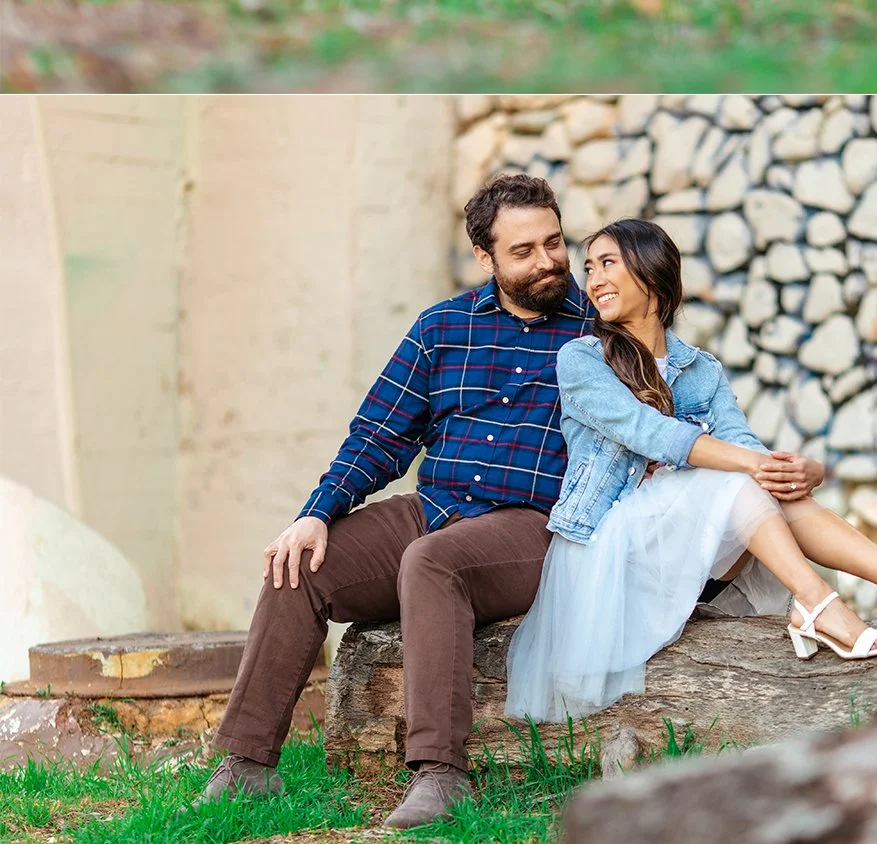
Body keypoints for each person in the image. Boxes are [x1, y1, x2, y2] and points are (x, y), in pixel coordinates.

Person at [190, 173, 594, 830]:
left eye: (554, 242)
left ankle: (441, 774)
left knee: (434, 563)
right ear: (486, 259)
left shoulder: (601, 330)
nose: (548, 260)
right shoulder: (443, 328)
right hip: (435, 506)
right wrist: (316, 513)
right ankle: (245, 765)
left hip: (535, 526)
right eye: (524, 251)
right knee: (298, 566)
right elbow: (379, 436)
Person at [505, 220, 877, 722]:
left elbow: (744, 445)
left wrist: (804, 471)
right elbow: (652, 434)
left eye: (608, 264)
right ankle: (821, 601)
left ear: (652, 273)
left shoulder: (700, 369)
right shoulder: (581, 359)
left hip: (687, 548)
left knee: (758, 482)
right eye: (588, 268)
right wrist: (754, 464)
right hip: (613, 550)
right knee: (738, 480)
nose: (593, 280)